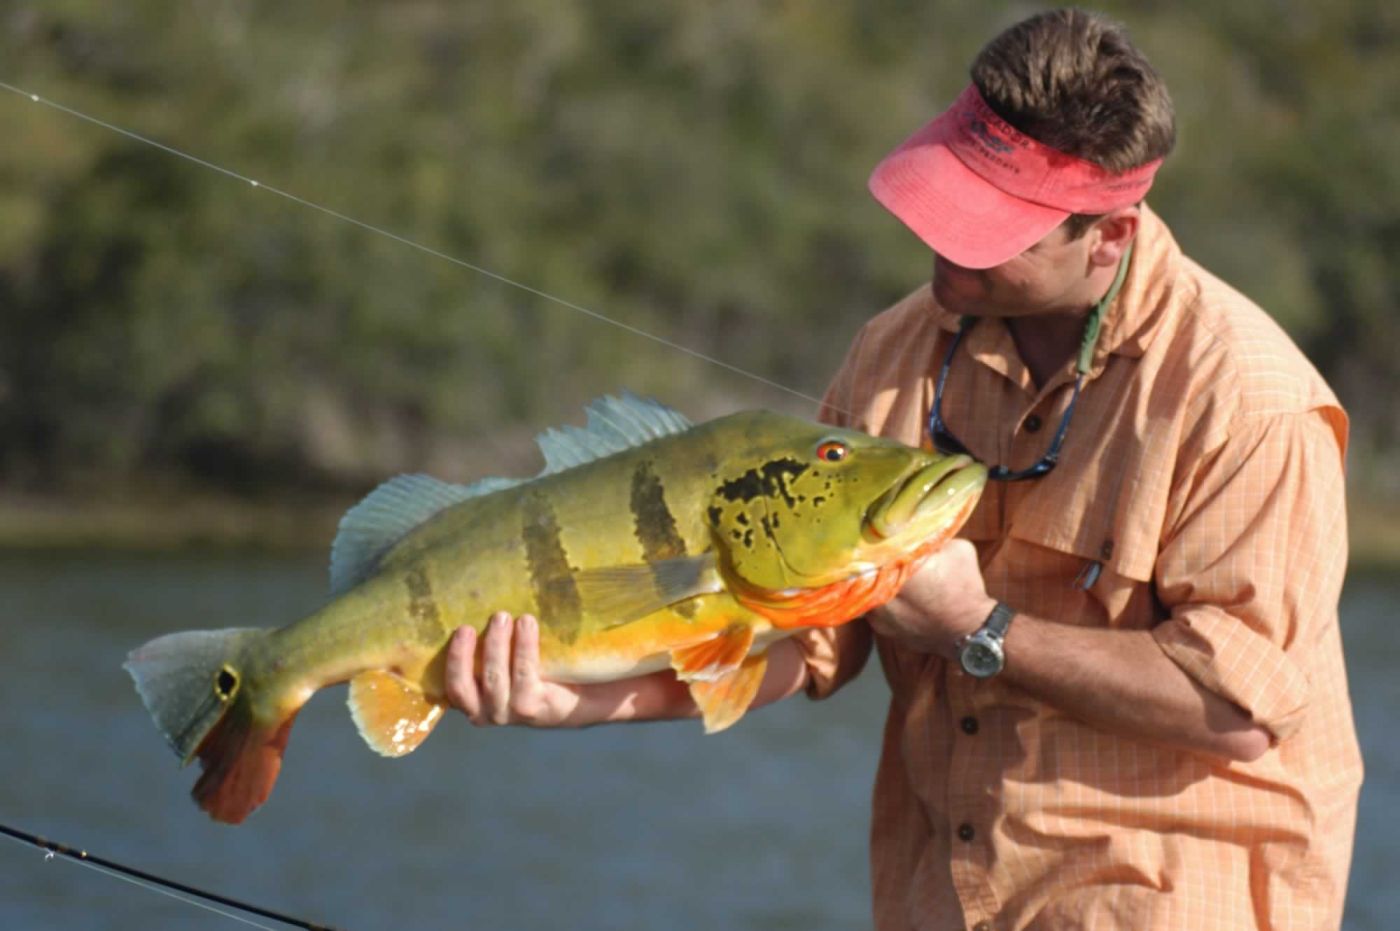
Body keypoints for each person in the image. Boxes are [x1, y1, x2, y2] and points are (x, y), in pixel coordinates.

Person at [441, 9, 1362, 930]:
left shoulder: (1249, 398)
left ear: (1110, 238)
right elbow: (810, 642)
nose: (945, 237)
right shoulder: (896, 346)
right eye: (951, 191)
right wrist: (583, 700)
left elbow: (1238, 706)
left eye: (993, 225)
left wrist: (980, 625)